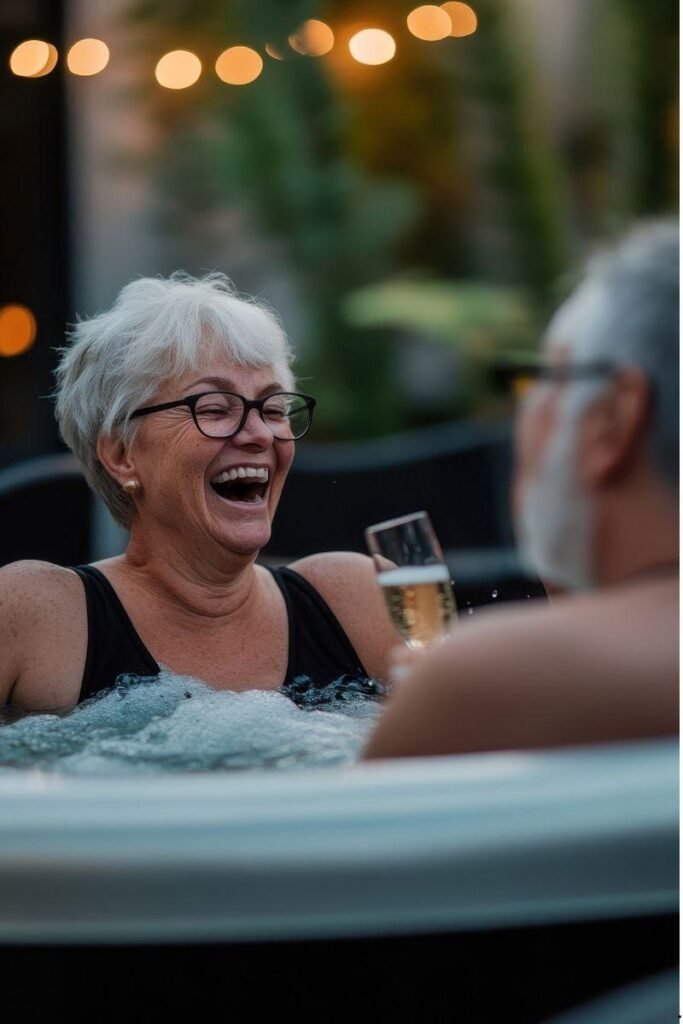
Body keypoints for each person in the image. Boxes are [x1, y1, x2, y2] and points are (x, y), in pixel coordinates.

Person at [1, 273, 397, 711]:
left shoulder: (355, 599)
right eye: (213, 408)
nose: (260, 434)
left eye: (272, 409)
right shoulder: (36, 615)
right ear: (121, 454)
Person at [364, 219, 678, 759]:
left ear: (613, 420)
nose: (523, 414)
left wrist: (437, 686)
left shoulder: (486, 680)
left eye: (541, 381)